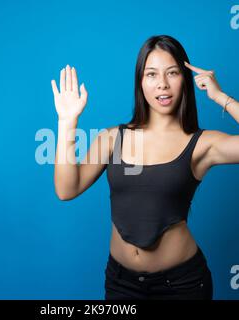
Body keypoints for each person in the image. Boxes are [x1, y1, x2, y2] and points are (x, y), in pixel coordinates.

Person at [51, 35, 239, 300]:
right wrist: (67, 121)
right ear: (140, 82)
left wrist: (220, 97)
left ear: (185, 79)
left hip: (182, 286)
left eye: (172, 73)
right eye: (151, 74)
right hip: (121, 284)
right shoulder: (113, 137)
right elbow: (66, 189)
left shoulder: (202, 144)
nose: (162, 84)